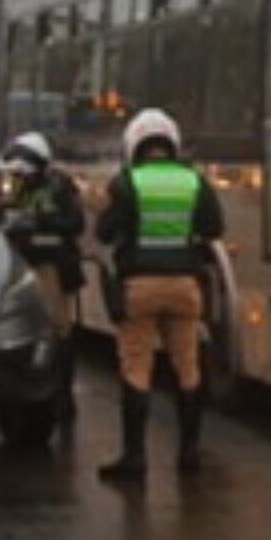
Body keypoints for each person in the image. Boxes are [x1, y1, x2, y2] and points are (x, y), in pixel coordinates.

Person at [94, 108, 225, 479]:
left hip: (140, 286)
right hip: (186, 286)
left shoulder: (126, 182)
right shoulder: (194, 181)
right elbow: (214, 227)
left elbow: (105, 233)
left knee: (137, 367)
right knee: (187, 365)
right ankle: (189, 452)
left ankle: (135, 457)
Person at [0, 132, 87, 421]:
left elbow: (75, 223)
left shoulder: (60, 186)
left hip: (52, 269)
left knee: (60, 333)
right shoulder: (14, 185)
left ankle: (63, 393)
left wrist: (40, 220)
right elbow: (2, 215)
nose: (18, 176)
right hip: (22, 267)